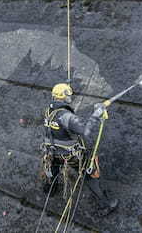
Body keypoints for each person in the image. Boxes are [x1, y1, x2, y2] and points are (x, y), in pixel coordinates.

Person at [40, 83, 118, 216]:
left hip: (51, 151)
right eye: (69, 95)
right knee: (88, 174)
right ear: (64, 96)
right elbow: (85, 131)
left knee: (52, 170)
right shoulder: (66, 116)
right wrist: (96, 114)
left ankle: (50, 190)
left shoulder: (48, 111)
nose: (71, 97)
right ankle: (107, 204)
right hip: (70, 154)